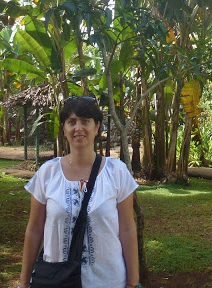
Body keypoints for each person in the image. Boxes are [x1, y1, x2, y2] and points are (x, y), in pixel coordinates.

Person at [18, 95, 140, 288]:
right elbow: (34, 229)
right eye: (72, 122)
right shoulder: (48, 173)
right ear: (64, 128)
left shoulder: (116, 172)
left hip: (107, 281)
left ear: (97, 127)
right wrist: (23, 282)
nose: (78, 128)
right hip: (57, 280)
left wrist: (133, 282)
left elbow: (127, 229)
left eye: (85, 121)